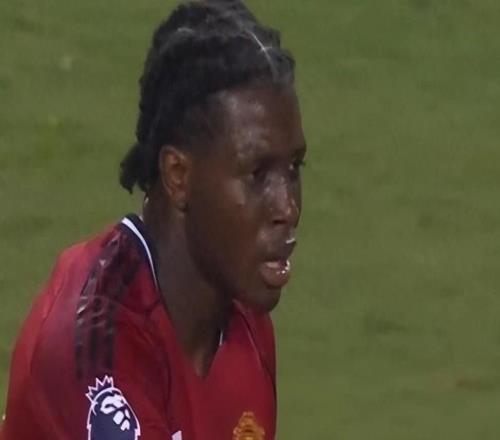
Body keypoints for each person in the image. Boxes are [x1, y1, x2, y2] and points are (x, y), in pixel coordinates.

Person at [1, 0, 307, 438]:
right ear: (178, 176)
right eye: (257, 175)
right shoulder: (93, 351)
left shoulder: (247, 324)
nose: (288, 207)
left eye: (294, 169)